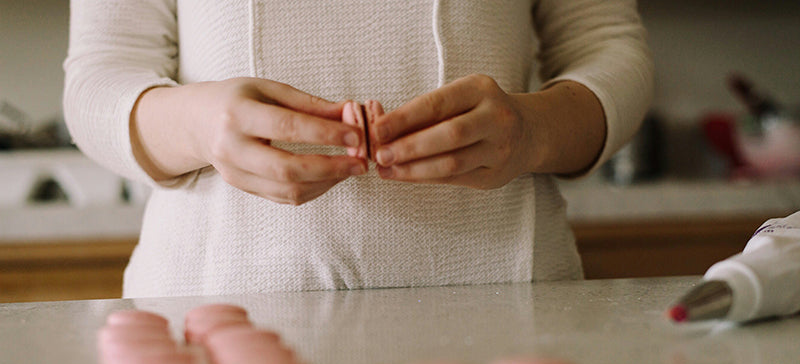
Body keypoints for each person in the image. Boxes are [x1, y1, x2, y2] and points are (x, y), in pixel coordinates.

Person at [64, 0, 654, 298]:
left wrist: (533, 130)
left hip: (512, 309)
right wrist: (201, 126)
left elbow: (609, 47)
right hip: (213, 320)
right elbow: (98, 80)